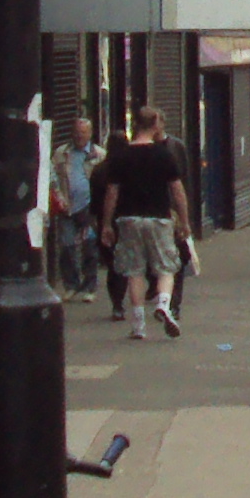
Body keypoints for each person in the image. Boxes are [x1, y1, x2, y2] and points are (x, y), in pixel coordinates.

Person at [100, 109, 193, 341]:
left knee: (135, 271)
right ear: (153, 125)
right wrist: (184, 221)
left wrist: (106, 224)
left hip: (128, 220)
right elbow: (177, 191)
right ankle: (163, 303)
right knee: (167, 267)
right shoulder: (164, 155)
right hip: (159, 218)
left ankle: (138, 325)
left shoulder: (120, 156)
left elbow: (111, 193)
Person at [51, 119, 99, 301]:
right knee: (67, 245)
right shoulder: (62, 153)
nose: (80, 136)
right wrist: (58, 198)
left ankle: (89, 287)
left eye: (84, 132)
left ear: (90, 134)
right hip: (67, 207)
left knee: (89, 247)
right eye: (77, 132)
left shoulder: (98, 154)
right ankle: (71, 284)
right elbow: (53, 177)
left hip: (88, 207)